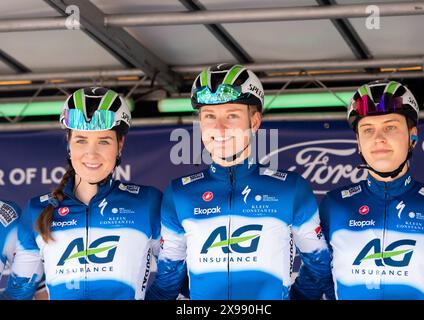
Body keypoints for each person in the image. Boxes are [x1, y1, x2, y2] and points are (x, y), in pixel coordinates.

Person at [146, 63, 334, 300]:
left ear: (254, 122)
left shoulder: (290, 188)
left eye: (232, 116)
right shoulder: (180, 193)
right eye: (209, 116)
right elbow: (168, 281)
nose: (219, 127)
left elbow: (320, 268)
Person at [4, 87, 161, 300]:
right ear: (68, 143)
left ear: (120, 145)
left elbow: (174, 277)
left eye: (103, 141)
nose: (91, 153)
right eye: (81, 140)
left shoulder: (147, 202)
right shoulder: (37, 210)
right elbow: (19, 291)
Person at [319, 80, 424, 299]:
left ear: (413, 136)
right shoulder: (334, 205)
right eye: (368, 130)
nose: (379, 138)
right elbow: (314, 279)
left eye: (390, 127)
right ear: (358, 142)